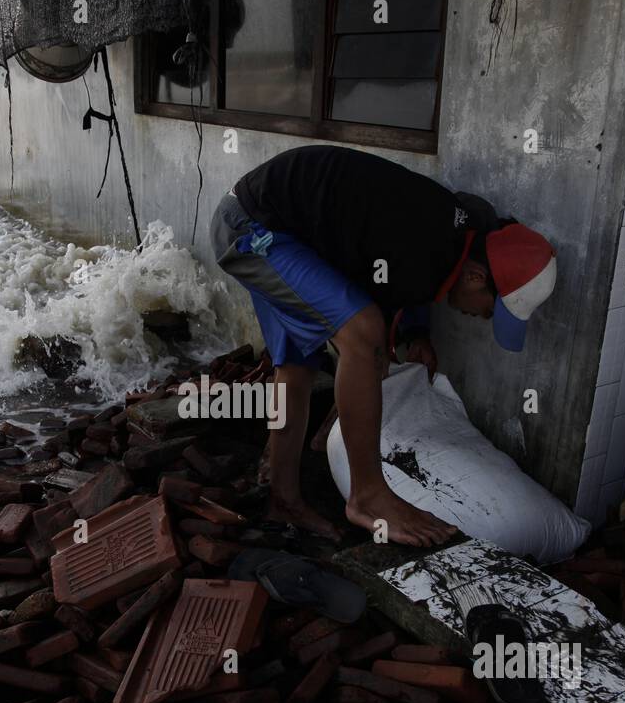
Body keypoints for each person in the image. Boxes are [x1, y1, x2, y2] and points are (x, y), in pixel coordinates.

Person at [209, 145, 557, 547]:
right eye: (489, 310)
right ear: (476, 277)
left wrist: (415, 334)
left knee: (300, 363)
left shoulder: (456, 232)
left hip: (279, 225)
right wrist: (391, 343)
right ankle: (369, 495)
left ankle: (283, 499)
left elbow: (396, 269)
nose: (481, 318)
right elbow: (376, 325)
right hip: (254, 228)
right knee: (363, 332)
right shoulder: (428, 245)